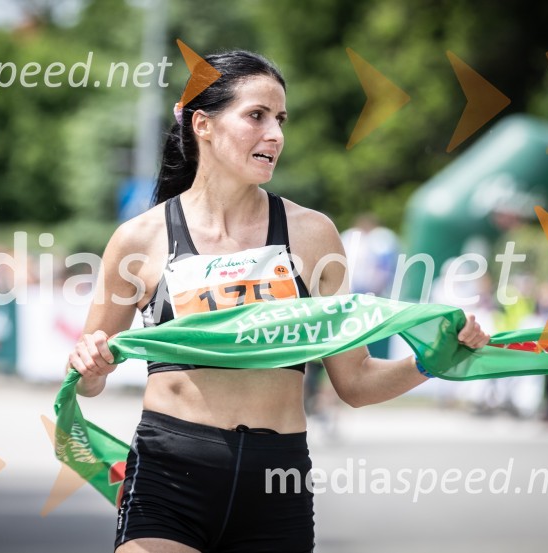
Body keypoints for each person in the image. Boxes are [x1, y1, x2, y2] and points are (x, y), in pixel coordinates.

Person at [69, 50, 490, 553]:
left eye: (281, 120)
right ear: (203, 124)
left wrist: (434, 361)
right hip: (169, 472)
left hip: (277, 481)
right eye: (256, 116)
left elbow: (353, 382)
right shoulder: (140, 239)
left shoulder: (313, 235)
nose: (276, 135)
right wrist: (90, 365)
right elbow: (91, 377)